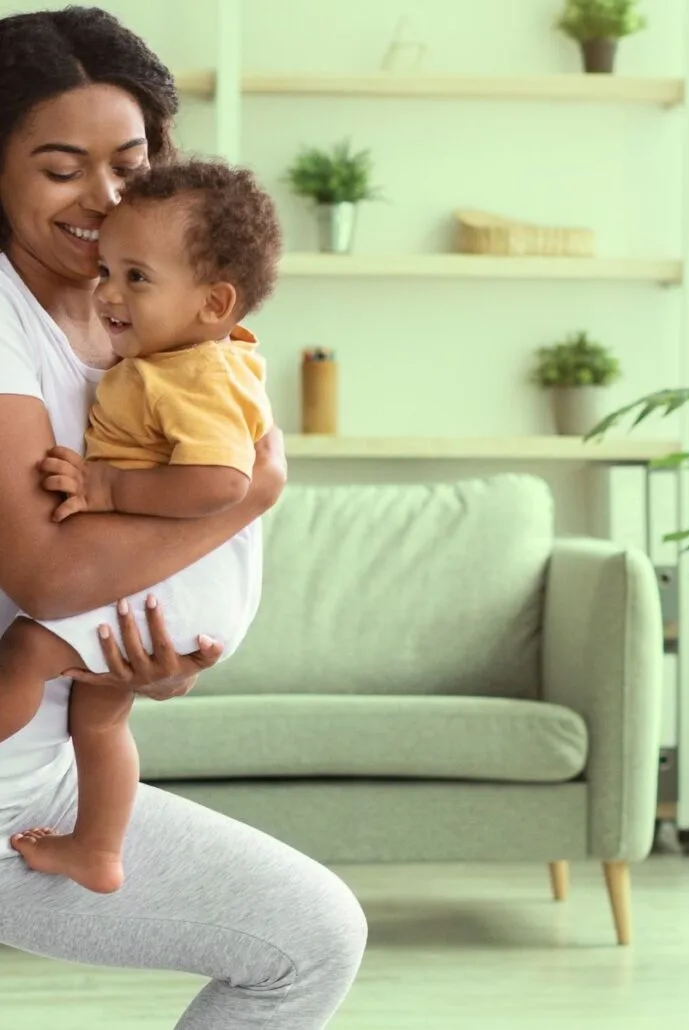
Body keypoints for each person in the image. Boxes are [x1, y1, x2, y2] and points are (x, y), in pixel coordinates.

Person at [0, 8, 367, 1030]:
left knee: (313, 938)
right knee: (305, 940)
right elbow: (48, 576)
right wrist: (250, 493)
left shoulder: (138, 325)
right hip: (12, 786)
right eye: (61, 166)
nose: (105, 197)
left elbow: (130, 554)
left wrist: (159, 655)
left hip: (43, 775)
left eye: (131, 160)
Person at [1, 157, 280, 896]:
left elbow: (225, 483)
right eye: (108, 272)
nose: (109, 294)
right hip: (181, 578)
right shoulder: (172, 359)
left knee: (29, 647)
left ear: (215, 303)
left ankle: (97, 843)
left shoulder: (195, 375)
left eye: (136, 278)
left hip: (183, 578)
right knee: (99, 717)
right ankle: (98, 847)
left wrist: (105, 484)